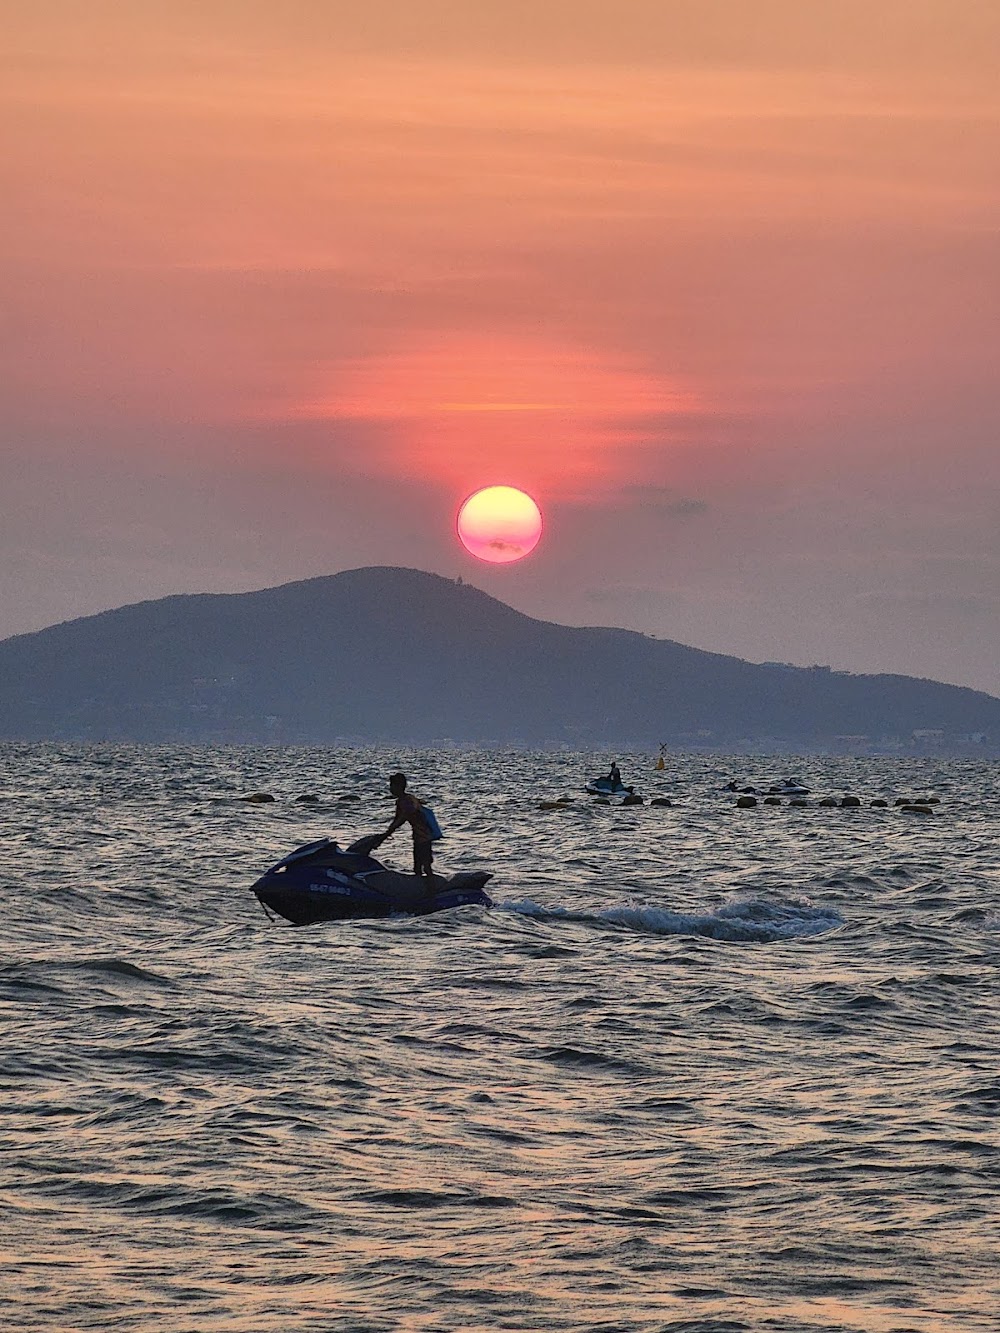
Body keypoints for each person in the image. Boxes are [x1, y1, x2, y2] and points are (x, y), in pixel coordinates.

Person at [372, 772, 435, 879]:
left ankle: (432, 893)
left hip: (424, 837)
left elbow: (401, 820)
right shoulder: (403, 800)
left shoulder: (407, 801)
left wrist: (384, 836)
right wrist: (384, 836)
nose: (390, 789)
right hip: (419, 837)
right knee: (417, 867)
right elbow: (396, 820)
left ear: (399, 787)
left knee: (426, 866)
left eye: (392, 786)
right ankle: (421, 890)